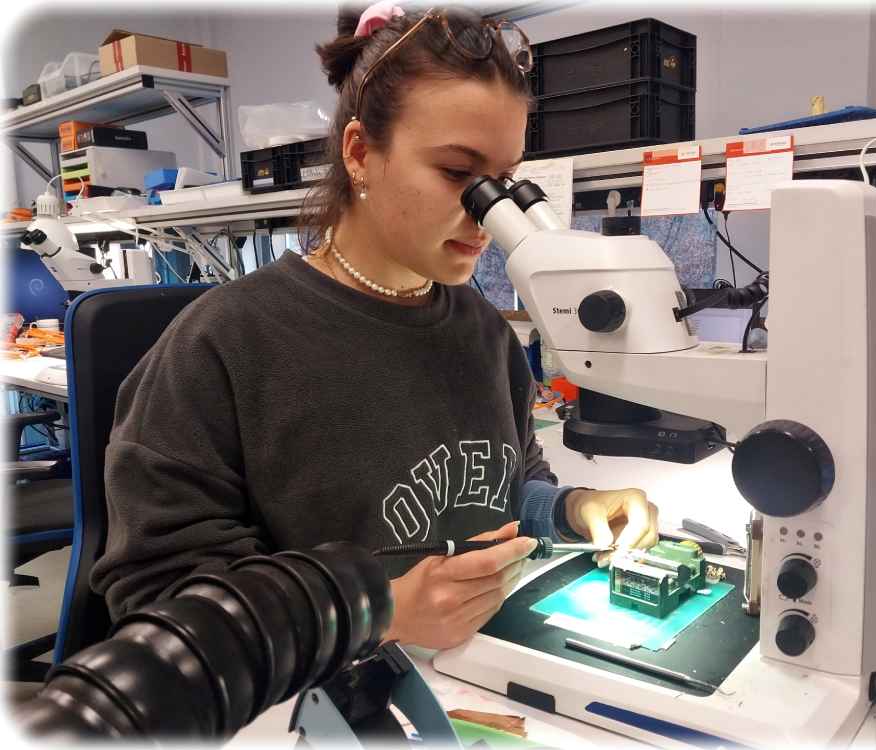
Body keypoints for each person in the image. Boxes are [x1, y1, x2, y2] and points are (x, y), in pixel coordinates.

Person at [90, 3, 660, 650]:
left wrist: (572, 510)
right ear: (361, 153)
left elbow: (507, 489)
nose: (489, 212)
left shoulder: (485, 334)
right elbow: (161, 603)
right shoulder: (222, 347)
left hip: (470, 676)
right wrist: (374, 612)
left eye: (502, 181)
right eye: (458, 174)